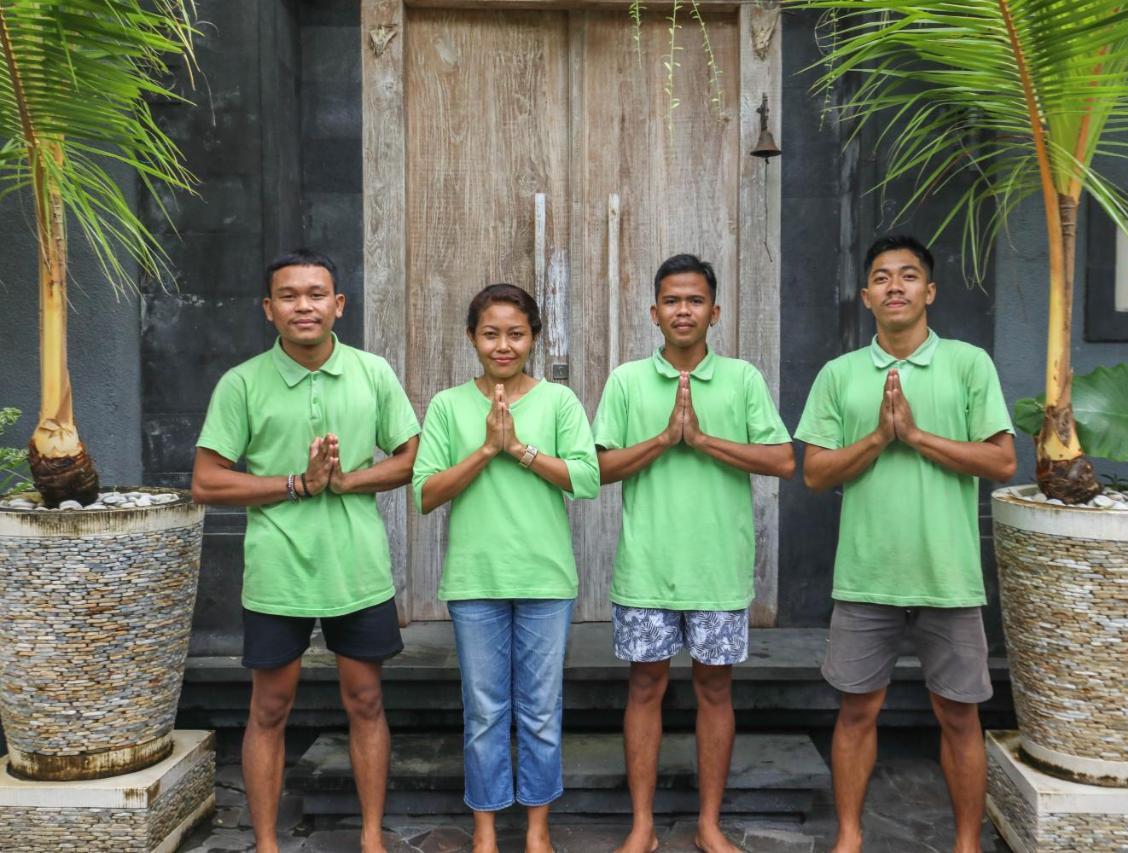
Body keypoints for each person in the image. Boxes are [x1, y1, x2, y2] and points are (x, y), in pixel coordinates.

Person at [192, 249, 420, 853]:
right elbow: (206, 480)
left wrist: (344, 481)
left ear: (338, 305)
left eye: (316, 294)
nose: (304, 306)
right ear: (269, 310)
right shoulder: (241, 383)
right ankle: (266, 844)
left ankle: (372, 837)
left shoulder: (373, 373)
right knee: (269, 707)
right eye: (289, 296)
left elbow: (412, 457)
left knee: (366, 700)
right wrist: (296, 483)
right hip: (278, 569)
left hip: (357, 567)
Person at [795, 235, 1016, 853]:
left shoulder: (969, 365)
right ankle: (848, 838)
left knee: (959, 715)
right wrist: (878, 440)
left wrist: (917, 437)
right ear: (865, 296)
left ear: (930, 291)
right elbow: (814, 473)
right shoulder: (839, 375)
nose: (896, 286)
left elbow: (1001, 460)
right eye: (883, 278)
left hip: (948, 576)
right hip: (867, 575)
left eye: (909, 276)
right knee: (857, 713)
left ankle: (967, 844)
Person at [593, 254, 795, 853]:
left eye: (695, 301)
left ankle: (709, 824)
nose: (684, 311)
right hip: (648, 569)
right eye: (673, 301)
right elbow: (599, 467)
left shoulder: (742, 379)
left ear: (715, 310)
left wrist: (703, 441)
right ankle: (642, 826)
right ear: (654, 312)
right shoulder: (628, 380)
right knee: (645, 689)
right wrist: (662, 440)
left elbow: (783, 460)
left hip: (718, 569)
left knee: (715, 691)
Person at [412, 283, 600, 853]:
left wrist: (518, 448)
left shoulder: (559, 402)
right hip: (476, 582)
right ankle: (486, 829)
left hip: (545, 580)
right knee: (486, 712)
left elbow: (587, 479)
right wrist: (486, 450)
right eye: (490, 333)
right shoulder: (448, 405)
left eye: (516, 334)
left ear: (534, 338)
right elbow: (425, 493)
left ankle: (538, 829)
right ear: (472, 337)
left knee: (541, 712)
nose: (503, 345)